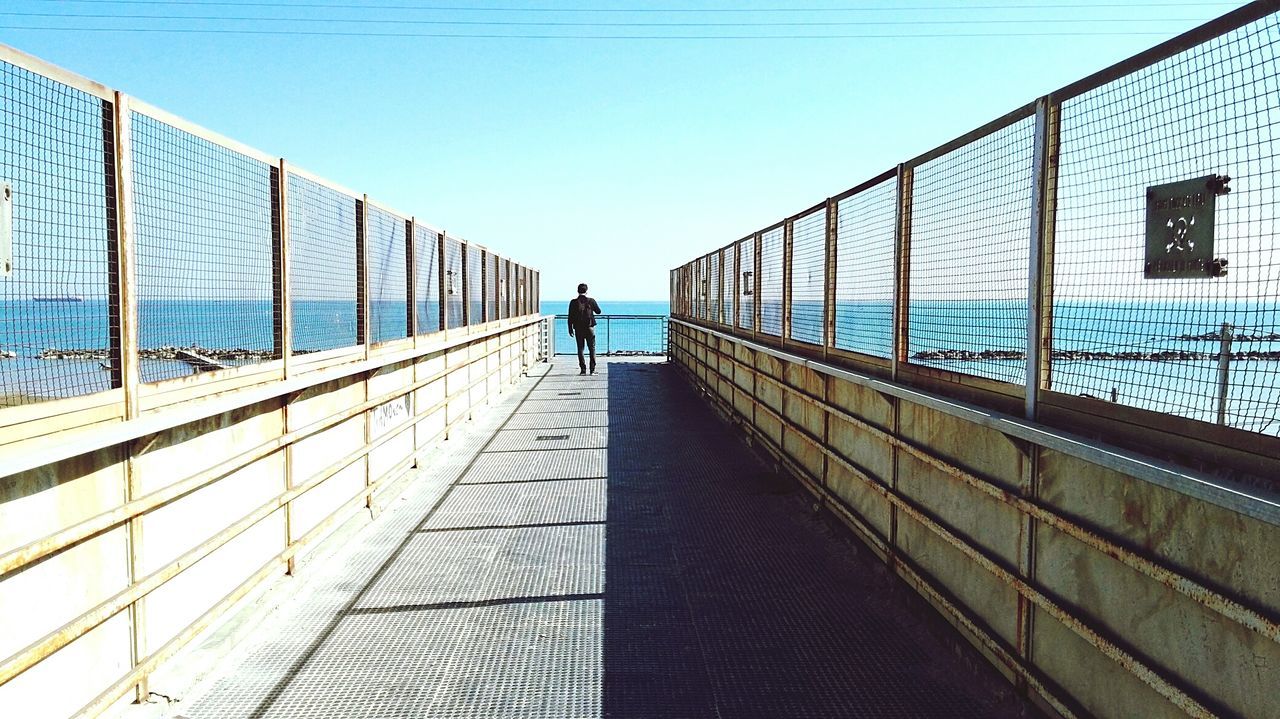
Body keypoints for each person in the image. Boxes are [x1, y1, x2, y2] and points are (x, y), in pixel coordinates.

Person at [567, 283, 602, 374]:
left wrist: (570, 329)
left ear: (578, 291)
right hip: (589, 328)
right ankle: (592, 370)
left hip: (578, 328)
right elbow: (598, 311)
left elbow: (570, 317)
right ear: (586, 291)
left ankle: (583, 370)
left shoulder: (573, 302)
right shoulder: (591, 300)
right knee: (592, 348)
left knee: (580, 348)